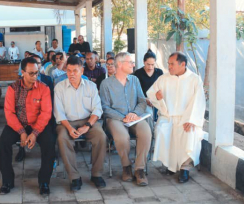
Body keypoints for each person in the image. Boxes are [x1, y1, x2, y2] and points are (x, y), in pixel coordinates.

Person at [0, 57, 54, 195]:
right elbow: (9, 113)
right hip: (18, 124)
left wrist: (34, 133)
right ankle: (7, 181)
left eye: (37, 73)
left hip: (38, 125)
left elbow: (46, 113)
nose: (35, 76)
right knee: (3, 143)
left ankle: (44, 181)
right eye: (31, 73)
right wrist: (21, 131)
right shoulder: (13, 88)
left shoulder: (44, 88)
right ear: (22, 72)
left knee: (50, 143)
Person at [147, 52, 206, 183]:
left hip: (187, 118)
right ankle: (170, 165)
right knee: (162, 131)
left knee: (189, 134)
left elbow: (199, 101)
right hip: (168, 116)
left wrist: (191, 119)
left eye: (172, 64)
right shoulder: (164, 78)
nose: (169, 67)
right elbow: (151, 93)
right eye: (168, 64)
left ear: (183, 64)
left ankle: (185, 169)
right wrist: (157, 98)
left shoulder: (194, 79)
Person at [54, 56, 107, 190]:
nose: (72, 74)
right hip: (66, 122)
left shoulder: (91, 86)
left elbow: (97, 109)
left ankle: (96, 174)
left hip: (87, 120)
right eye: (69, 70)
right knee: (62, 138)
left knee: (101, 136)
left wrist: (87, 126)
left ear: (82, 71)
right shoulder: (59, 87)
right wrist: (69, 128)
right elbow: (59, 112)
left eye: (75, 71)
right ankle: (74, 177)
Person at [100, 52, 151, 186]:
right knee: (122, 137)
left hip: (135, 117)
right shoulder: (106, 84)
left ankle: (139, 169)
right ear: (120, 65)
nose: (133, 64)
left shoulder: (134, 80)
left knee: (146, 132)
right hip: (115, 118)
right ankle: (126, 166)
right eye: (130, 62)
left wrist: (134, 113)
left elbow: (142, 101)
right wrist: (123, 118)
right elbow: (104, 108)